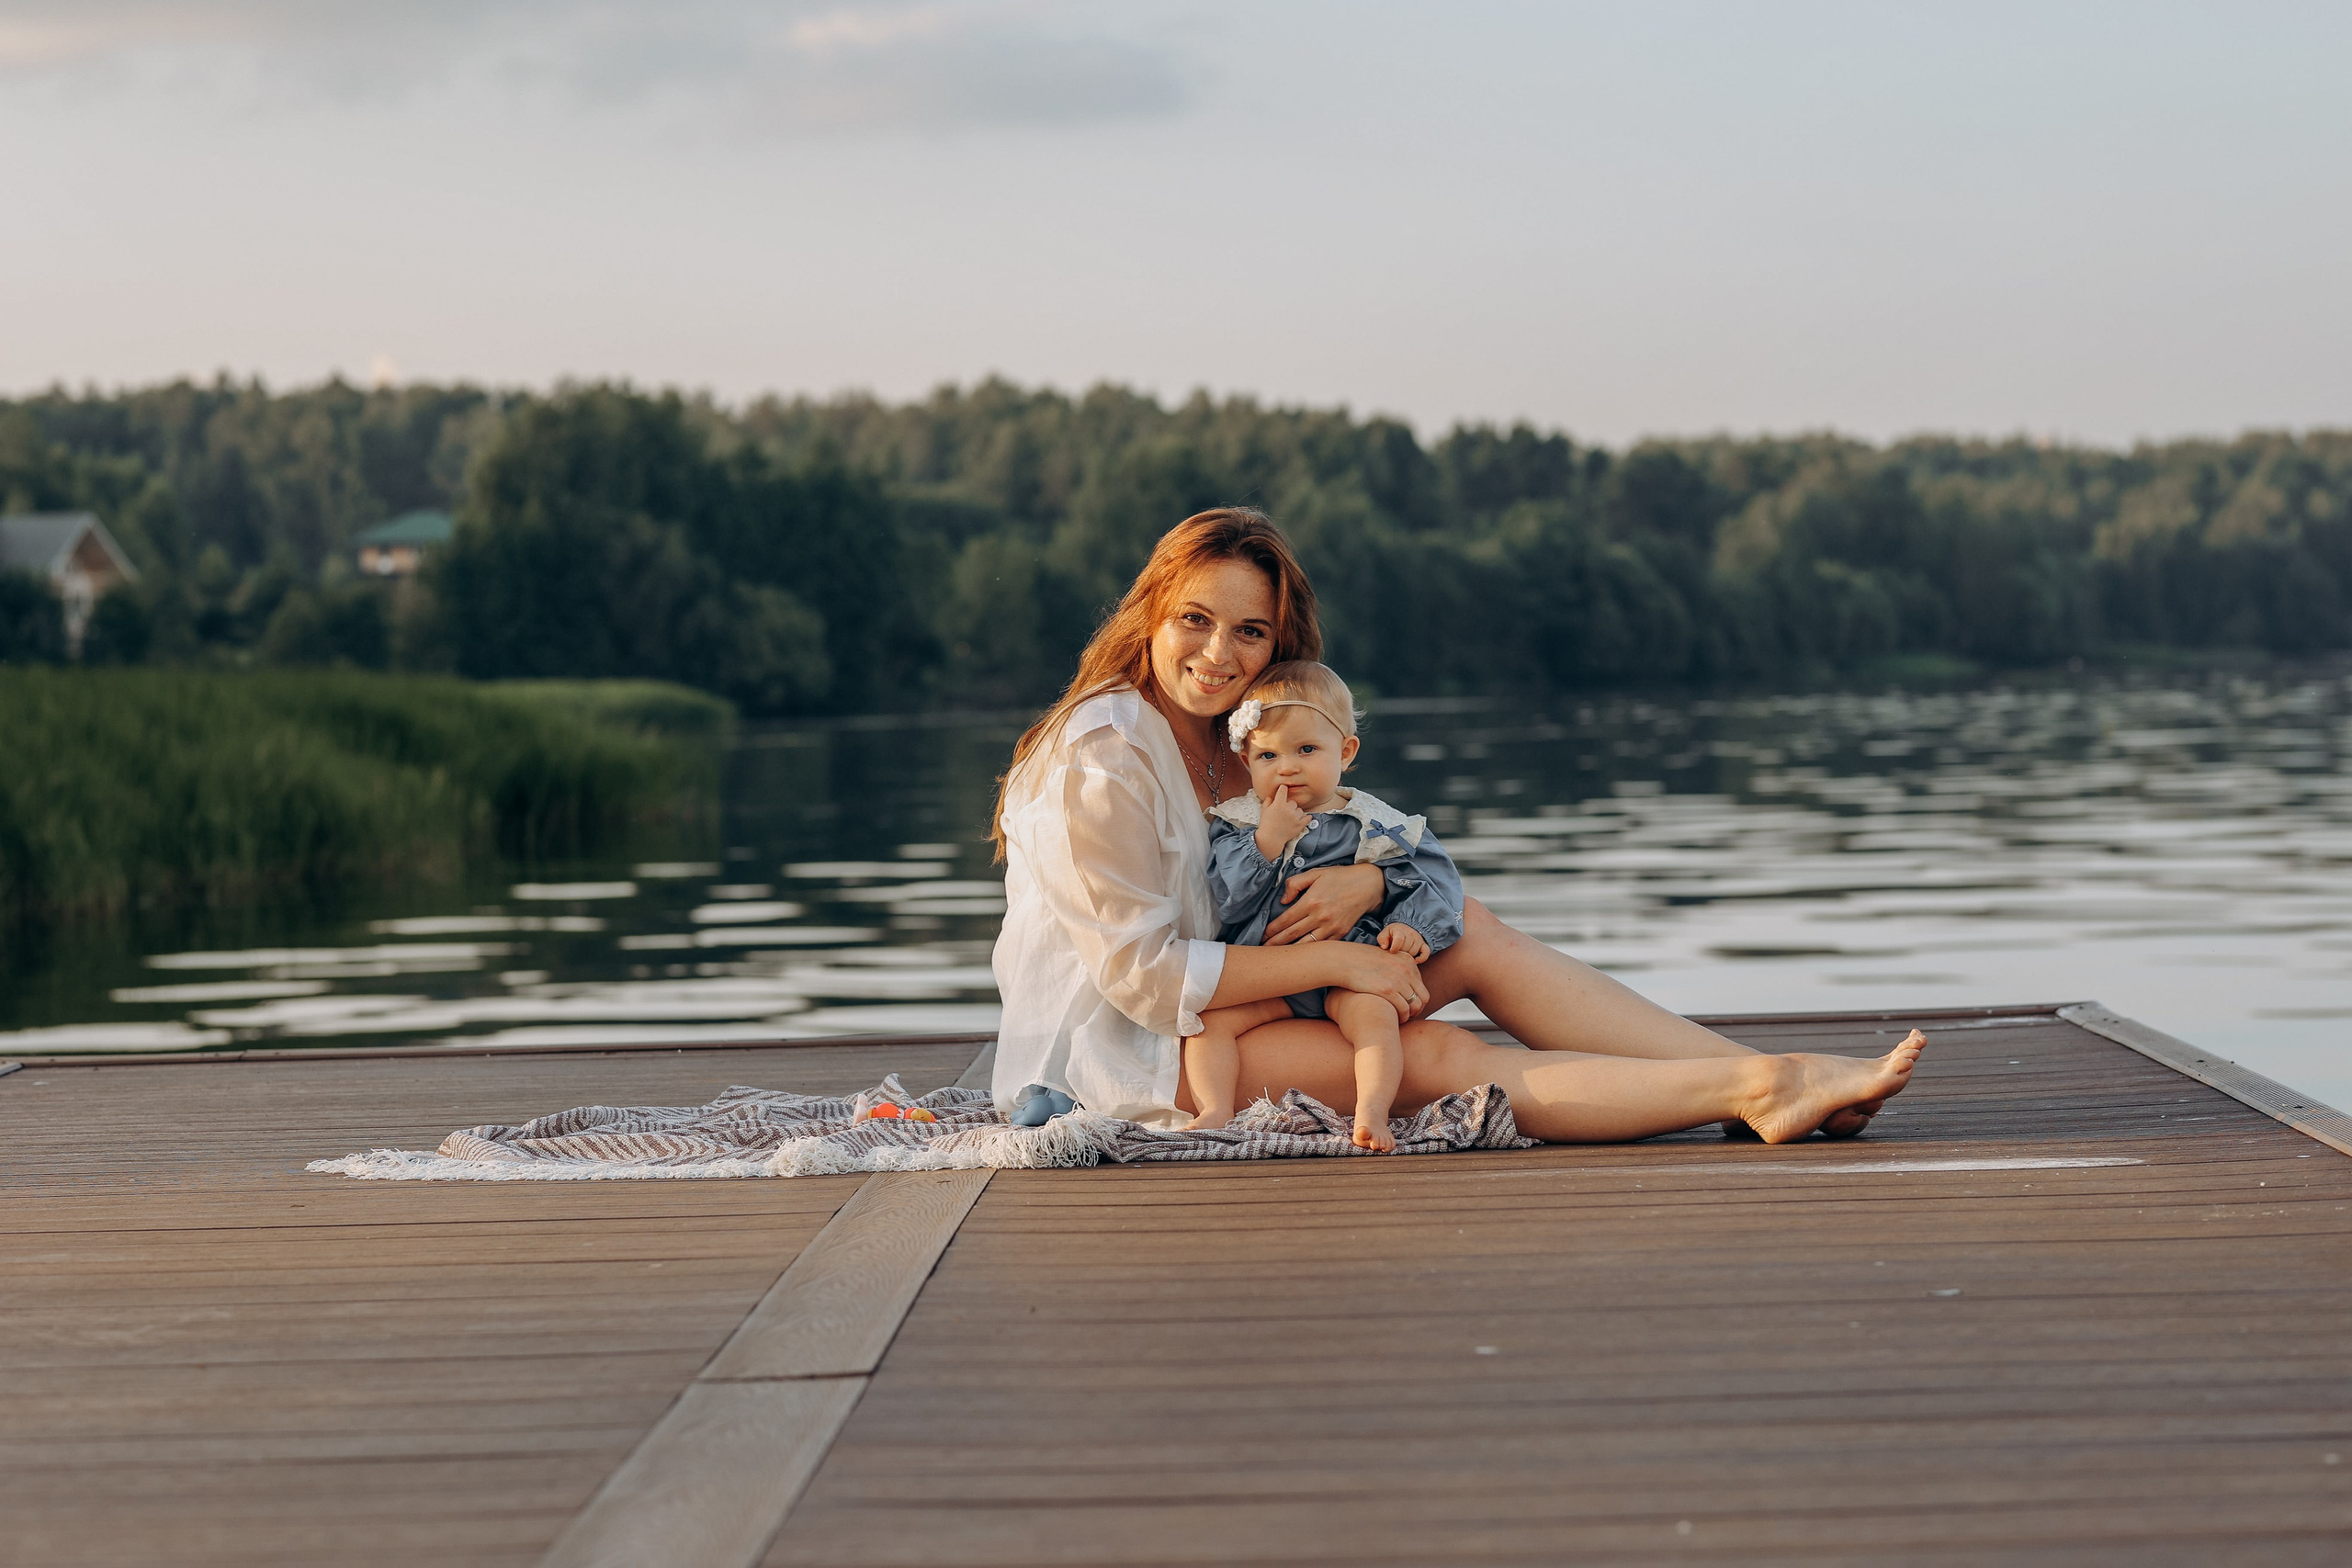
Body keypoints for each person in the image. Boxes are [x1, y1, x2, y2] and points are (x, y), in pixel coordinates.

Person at [989, 507, 1923, 1142]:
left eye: (1251, 632)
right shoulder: (1100, 757)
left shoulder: (1240, 735)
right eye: (1194, 619)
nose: (1218, 653)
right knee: (1431, 1055)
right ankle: (1757, 1090)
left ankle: (1766, 1075)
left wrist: (1367, 883)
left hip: (1250, 990)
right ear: (1151, 610)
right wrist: (1339, 962)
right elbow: (1144, 981)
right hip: (1136, 1050)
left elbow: (1317, 847)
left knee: (1469, 928)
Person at [1186, 661, 1464, 1150]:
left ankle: (1372, 1113)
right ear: (1246, 761)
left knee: (1375, 1020)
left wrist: (1411, 927)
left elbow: (1432, 877)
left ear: (1346, 751)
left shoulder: (1374, 822)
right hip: (1270, 972)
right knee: (1207, 1024)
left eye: (1307, 750)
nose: (1287, 767)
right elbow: (1229, 900)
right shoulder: (1241, 824)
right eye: (1267, 754)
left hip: (1348, 974)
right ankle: (1214, 1107)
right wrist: (1266, 844)